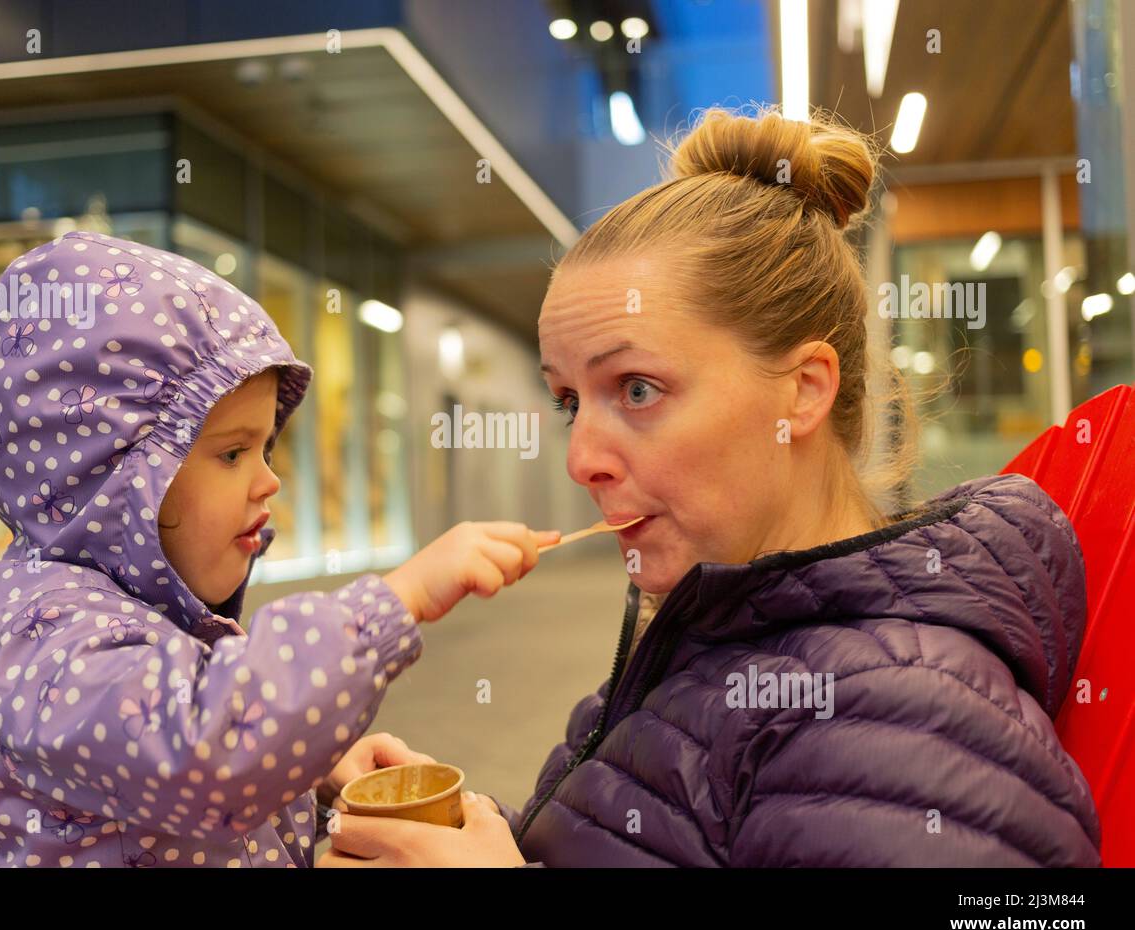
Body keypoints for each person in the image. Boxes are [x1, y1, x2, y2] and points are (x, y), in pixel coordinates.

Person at [318, 107, 1103, 867]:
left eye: (636, 389)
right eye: (568, 401)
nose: (580, 458)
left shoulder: (912, 720)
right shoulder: (710, 636)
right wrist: (461, 831)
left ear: (802, 390)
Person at [0, 231, 557, 867]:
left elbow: (185, 808)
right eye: (231, 453)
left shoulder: (155, 613)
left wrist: (309, 782)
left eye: (266, 448)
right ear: (116, 477)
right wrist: (395, 601)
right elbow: (201, 751)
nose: (270, 479)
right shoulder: (46, 633)